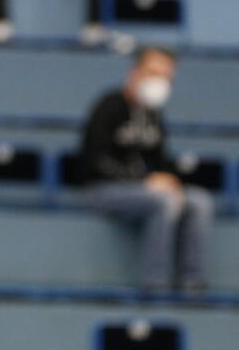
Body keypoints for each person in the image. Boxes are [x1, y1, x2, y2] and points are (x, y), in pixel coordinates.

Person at [79, 47, 213, 293]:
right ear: (135, 72)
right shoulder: (108, 106)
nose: (159, 82)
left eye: (166, 77)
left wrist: (170, 181)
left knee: (199, 202)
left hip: (142, 191)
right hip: (102, 189)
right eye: (154, 73)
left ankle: (191, 282)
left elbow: (161, 161)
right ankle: (156, 284)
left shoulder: (154, 115)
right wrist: (143, 181)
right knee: (163, 201)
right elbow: (95, 161)